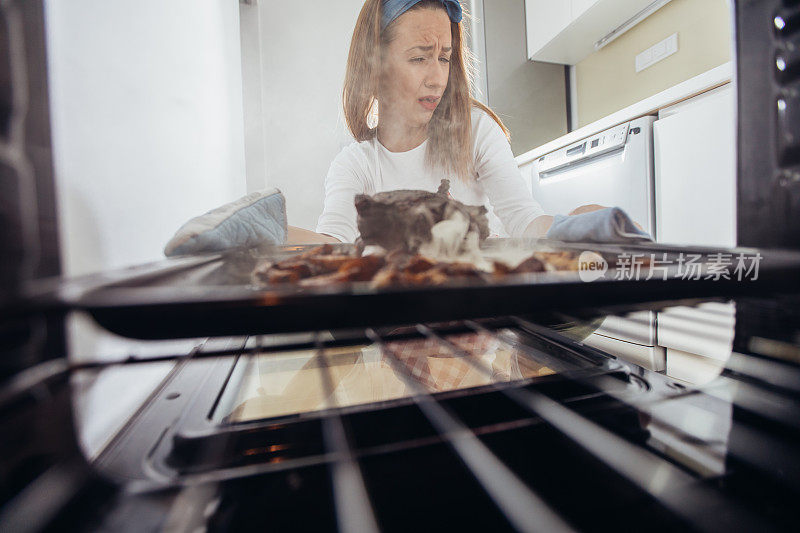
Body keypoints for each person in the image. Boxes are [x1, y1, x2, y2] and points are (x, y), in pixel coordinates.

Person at [288, 0, 601, 245]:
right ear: (375, 69)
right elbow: (332, 246)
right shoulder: (355, 165)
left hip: (482, 305)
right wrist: (269, 233)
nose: (437, 79)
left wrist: (571, 225)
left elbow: (525, 221)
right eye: (419, 58)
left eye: (444, 58)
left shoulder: (474, 131)